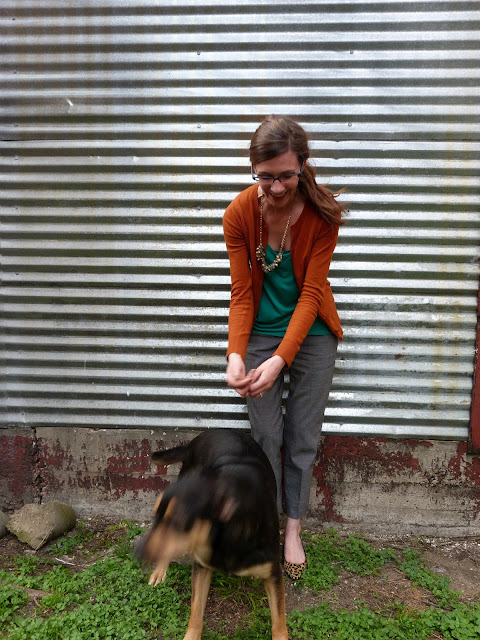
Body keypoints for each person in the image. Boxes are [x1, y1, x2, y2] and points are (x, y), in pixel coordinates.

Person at [223, 115, 345, 580]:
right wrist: (237, 354)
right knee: (267, 437)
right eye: (266, 176)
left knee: (302, 438)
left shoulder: (322, 215)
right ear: (254, 169)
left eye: (287, 176)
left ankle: (292, 528)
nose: (276, 187)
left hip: (312, 333)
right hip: (260, 332)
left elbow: (312, 294)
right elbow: (241, 293)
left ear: (303, 165)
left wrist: (280, 360)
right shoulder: (238, 214)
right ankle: (267, 522)